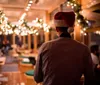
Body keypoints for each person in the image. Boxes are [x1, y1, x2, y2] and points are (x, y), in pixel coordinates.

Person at [34, 11, 94, 85]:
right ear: (72, 28)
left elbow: (37, 77)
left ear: (56, 29)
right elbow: (90, 79)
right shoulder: (84, 49)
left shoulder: (45, 47)